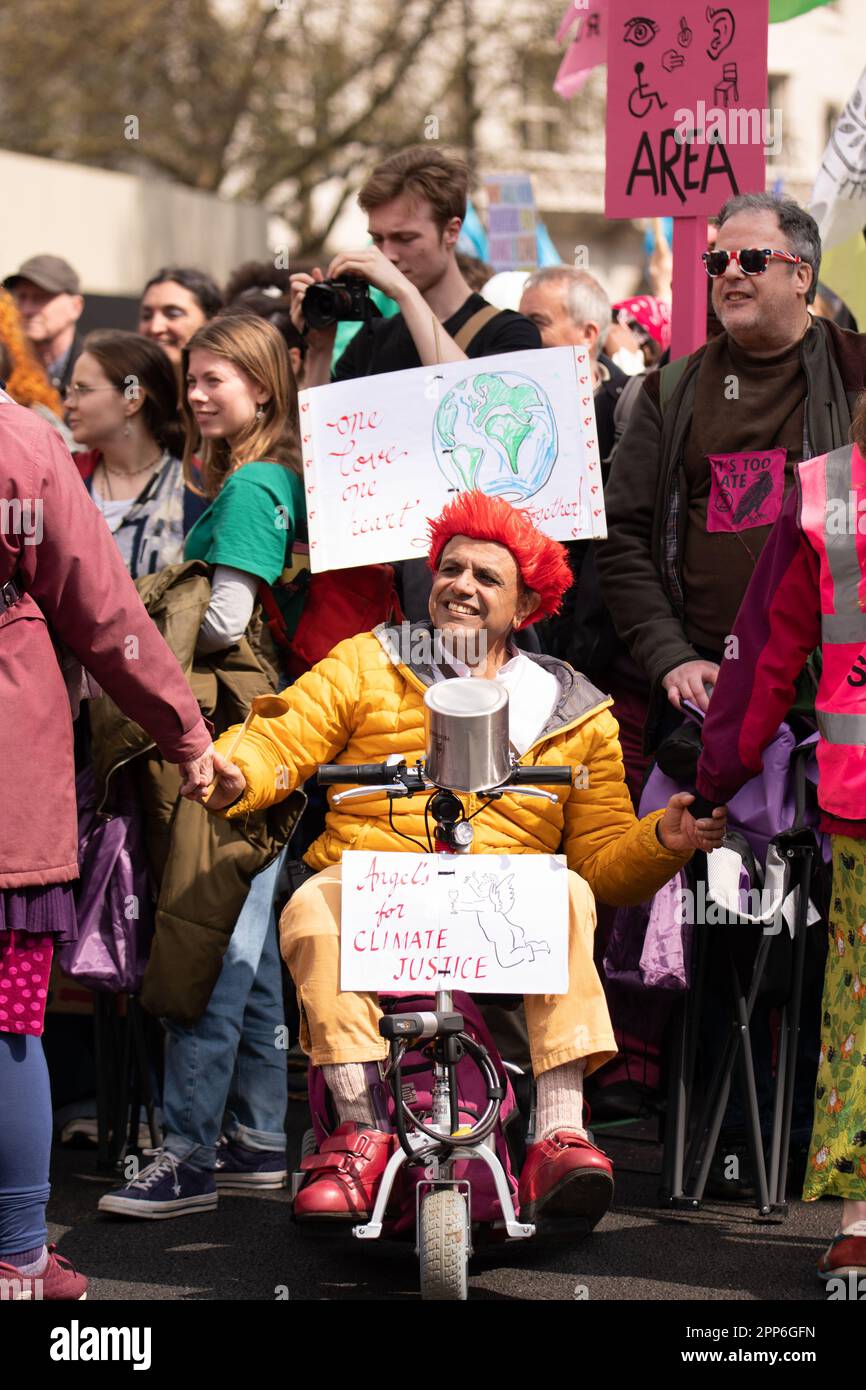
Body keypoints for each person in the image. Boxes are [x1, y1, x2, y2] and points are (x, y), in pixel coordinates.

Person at [194, 491, 726, 1229]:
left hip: (501, 911)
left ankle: (558, 1132)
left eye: (486, 577)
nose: (462, 587)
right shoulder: (367, 660)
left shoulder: (576, 709)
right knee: (310, 904)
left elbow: (604, 865)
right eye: (450, 569)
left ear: (528, 603)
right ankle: (359, 1131)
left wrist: (664, 840)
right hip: (377, 889)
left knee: (570, 891)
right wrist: (235, 769)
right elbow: (285, 737)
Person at [0, 389, 215, 1300]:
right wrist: (187, 735)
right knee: (8, 1028)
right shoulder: (21, 442)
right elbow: (107, 613)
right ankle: (17, 1258)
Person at [97, 312, 305, 1217]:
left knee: (207, 945)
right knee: (246, 957)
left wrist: (143, 605)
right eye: (194, 379)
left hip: (232, 750)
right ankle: (258, 1144)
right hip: (258, 743)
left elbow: (225, 620)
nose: (198, 394)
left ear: (263, 387)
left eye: (217, 378)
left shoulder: (258, 481)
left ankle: (185, 1159)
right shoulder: (265, 472)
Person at [694, 391, 866, 1281]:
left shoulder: (832, 493)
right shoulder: (829, 495)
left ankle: (861, 1226)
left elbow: (761, 655)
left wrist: (717, 774)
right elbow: (764, 650)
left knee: (863, 1018)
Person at [596, 192, 866, 753]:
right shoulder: (666, 393)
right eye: (717, 262)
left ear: (802, 276)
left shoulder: (857, 373)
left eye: (752, 260)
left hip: (841, 699)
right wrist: (672, 657)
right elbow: (622, 540)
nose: (730, 275)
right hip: (710, 704)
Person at [292, 145, 541, 624]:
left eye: (405, 238)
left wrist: (403, 291)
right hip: (374, 588)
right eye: (377, 238)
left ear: (452, 231)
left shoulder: (510, 332)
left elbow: (471, 404)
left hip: (466, 594)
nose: (388, 255)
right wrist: (319, 349)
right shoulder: (376, 338)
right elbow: (319, 457)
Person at [68, 331, 205, 577]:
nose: (69, 403)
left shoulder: (196, 486)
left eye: (83, 389)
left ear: (133, 399)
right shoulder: (64, 477)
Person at [519, 266, 628, 466]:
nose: (522, 333)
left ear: (587, 334)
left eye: (537, 322)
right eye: (520, 322)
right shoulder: (510, 403)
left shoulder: (631, 406)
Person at [3, 255, 85, 396]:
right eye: (21, 297)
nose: (26, 310)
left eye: (40, 298)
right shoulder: (5, 367)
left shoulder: (96, 372)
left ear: (75, 307)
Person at [138, 267, 223, 371]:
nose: (155, 328)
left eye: (173, 314)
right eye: (147, 316)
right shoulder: (126, 382)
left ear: (211, 322)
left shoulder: (235, 384)